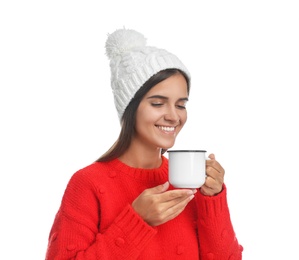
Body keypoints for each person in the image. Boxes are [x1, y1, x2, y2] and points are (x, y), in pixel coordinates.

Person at [45, 28, 243, 260]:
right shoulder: (87, 183)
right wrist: (137, 221)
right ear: (130, 108)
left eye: (180, 105)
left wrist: (213, 199)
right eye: (158, 103)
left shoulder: (190, 180)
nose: (173, 116)